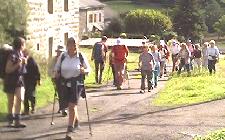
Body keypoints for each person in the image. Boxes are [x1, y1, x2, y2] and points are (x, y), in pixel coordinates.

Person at [54, 37, 91, 134]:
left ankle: (69, 128)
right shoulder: (63, 56)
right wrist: (57, 73)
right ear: (67, 45)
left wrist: (84, 71)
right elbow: (57, 67)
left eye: (74, 44)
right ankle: (76, 121)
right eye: (70, 44)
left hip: (76, 84)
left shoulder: (80, 56)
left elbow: (88, 70)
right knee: (69, 105)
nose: (72, 46)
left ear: (76, 45)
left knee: (71, 105)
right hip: (64, 83)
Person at [3, 37, 27, 127]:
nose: (25, 46)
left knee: (20, 99)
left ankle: (17, 120)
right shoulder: (13, 55)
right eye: (24, 44)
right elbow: (7, 70)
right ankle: (11, 120)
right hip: (10, 80)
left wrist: (24, 62)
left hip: (19, 80)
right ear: (21, 45)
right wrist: (18, 64)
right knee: (11, 100)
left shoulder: (20, 53)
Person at [48, 45, 67, 116]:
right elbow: (49, 70)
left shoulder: (66, 59)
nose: (60, 53)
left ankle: (64, 108)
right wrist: (54, 75)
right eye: (59, 52)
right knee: (60, 93)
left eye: (61, 52)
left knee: (65, 93)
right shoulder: (53, 60)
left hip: (65, 79)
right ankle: (61, 107)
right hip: (56, 79)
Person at [23, 49, 41, 115]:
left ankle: (33, 107)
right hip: (24, 80)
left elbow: (37, 70)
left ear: (27, 54)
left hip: (32, 80)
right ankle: (26, 110)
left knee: (31, 94)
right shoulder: (21, 60)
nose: (24, 55)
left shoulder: (32, 61)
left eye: (25, 54)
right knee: (25, 96)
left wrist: (39, 80)